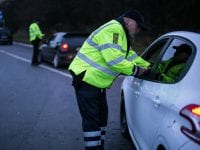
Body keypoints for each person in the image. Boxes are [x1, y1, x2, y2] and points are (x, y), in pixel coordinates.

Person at [68, 10, 150, 150]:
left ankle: (99, 146)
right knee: (92, 121)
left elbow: (130, 56)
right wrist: (137, 70)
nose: (138, 30)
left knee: (101, 118)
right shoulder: (114, 29)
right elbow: (115, 60)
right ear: (128, 21)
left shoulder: (121, 34)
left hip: (95, 82)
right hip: (87, 79)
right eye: (138, 26)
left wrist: (148, 66)